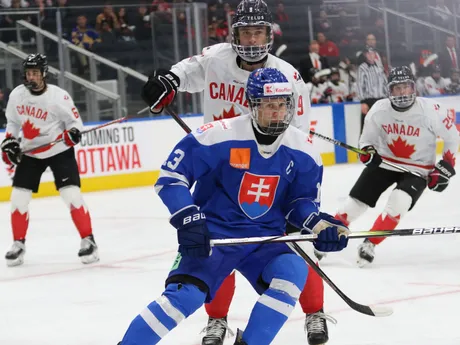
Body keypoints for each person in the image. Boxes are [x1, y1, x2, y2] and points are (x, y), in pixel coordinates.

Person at [140, 1, 335, 344]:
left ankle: (314, 310)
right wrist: (166, 83)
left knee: (292, 251)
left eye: (258, 31)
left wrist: (304, 211)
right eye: (245, 31)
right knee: (217, 241)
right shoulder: (216, 57)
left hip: (266, 176)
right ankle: (217, 318)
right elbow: (182, 74)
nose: (252, 38)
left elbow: (293, 139)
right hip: (219, 164)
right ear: (234, 35)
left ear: (269, 34)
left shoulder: (289, 77)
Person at [118, 67, 349, 345]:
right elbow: (171, 178)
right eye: (268, 105)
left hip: (266, 239)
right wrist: (189, 219)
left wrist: (319, 224)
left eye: (282, 105)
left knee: (292, 271)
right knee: (183, 297)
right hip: (215, 236)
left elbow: (299, 203)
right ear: (252, 105)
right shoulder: (217, 135)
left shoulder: (305, 150)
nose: (277, 112)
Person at [334, 66, 459, 267]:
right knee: (353, 205)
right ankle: (327, 235)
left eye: (406, 87)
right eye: (397, 88)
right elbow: (366, 141)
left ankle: (370, 243)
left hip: (418, 170)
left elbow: (452, 137)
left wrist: (445, 168)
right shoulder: (379, 109)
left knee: (398, 202)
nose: (402, 93)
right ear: (389, 91)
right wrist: (368, 153)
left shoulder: (431, 110)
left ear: (413, 88)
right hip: (385, 163)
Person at [1, 53, 99, 267]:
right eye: (28, 73)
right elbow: (12, 123)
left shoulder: (58, 97)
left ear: (44, 73)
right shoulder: (17, 95)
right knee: (18, 199)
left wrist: (73, 133)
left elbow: (75, 122)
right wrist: (8, 142)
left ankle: (88, 240)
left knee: (71, 195)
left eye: (35, 73)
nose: (31, 77)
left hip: (59, 150)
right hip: (30, 152)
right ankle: (18, 244)